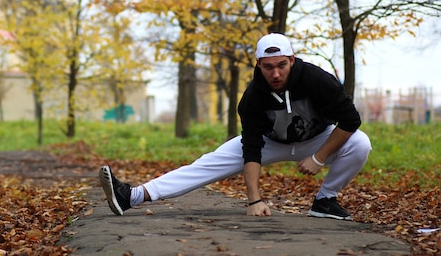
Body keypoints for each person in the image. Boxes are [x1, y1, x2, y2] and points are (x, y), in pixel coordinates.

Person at [99, 33, 372, 220]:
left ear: (292, 60)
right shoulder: (253, 96)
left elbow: (350, 120)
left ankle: (325, 200)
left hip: (316, 139)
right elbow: (251, 149)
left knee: (360, 142)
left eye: (281, 65)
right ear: (258, 65)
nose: (275, 74)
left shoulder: (318, 80)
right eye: (267, 67)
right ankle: (132, 196)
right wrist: (254, 201)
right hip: (270, 141)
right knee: (206, 164)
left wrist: (318, 157)